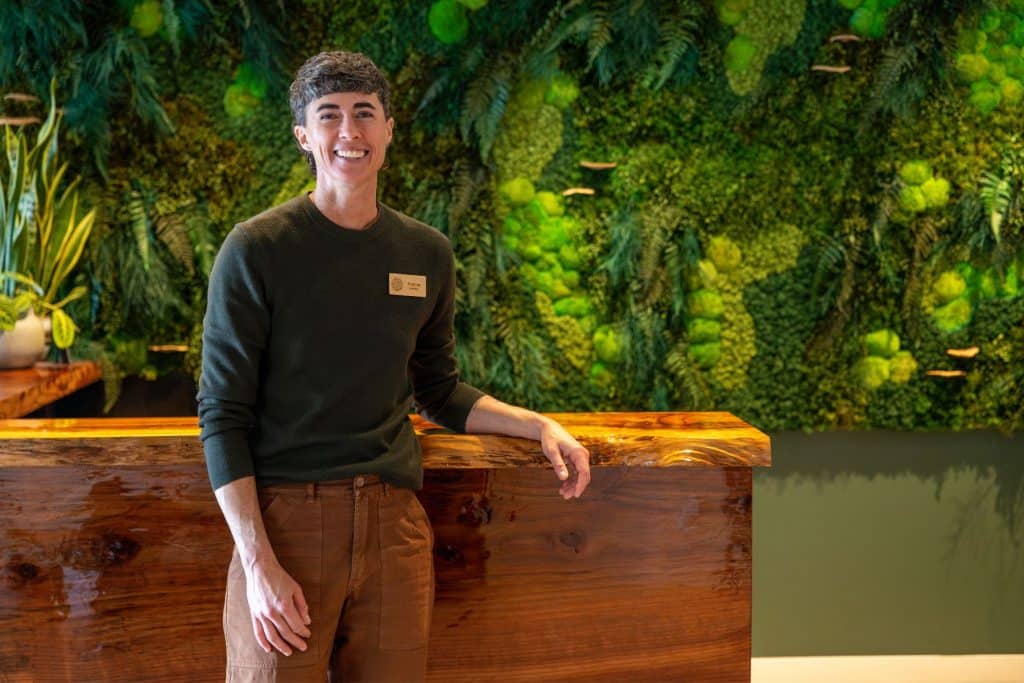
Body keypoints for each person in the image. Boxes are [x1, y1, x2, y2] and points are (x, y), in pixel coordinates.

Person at [197, 51, 591, 682]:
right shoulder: (257, 249)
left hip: (393, 528)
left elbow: (437, 390)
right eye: (329, 117)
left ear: (387, 129)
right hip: (286, 527)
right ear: (304, 135)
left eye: (363, 114)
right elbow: (221, 415)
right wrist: (257, 563)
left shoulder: (425, 253)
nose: (348, 132)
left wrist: (538, 424)